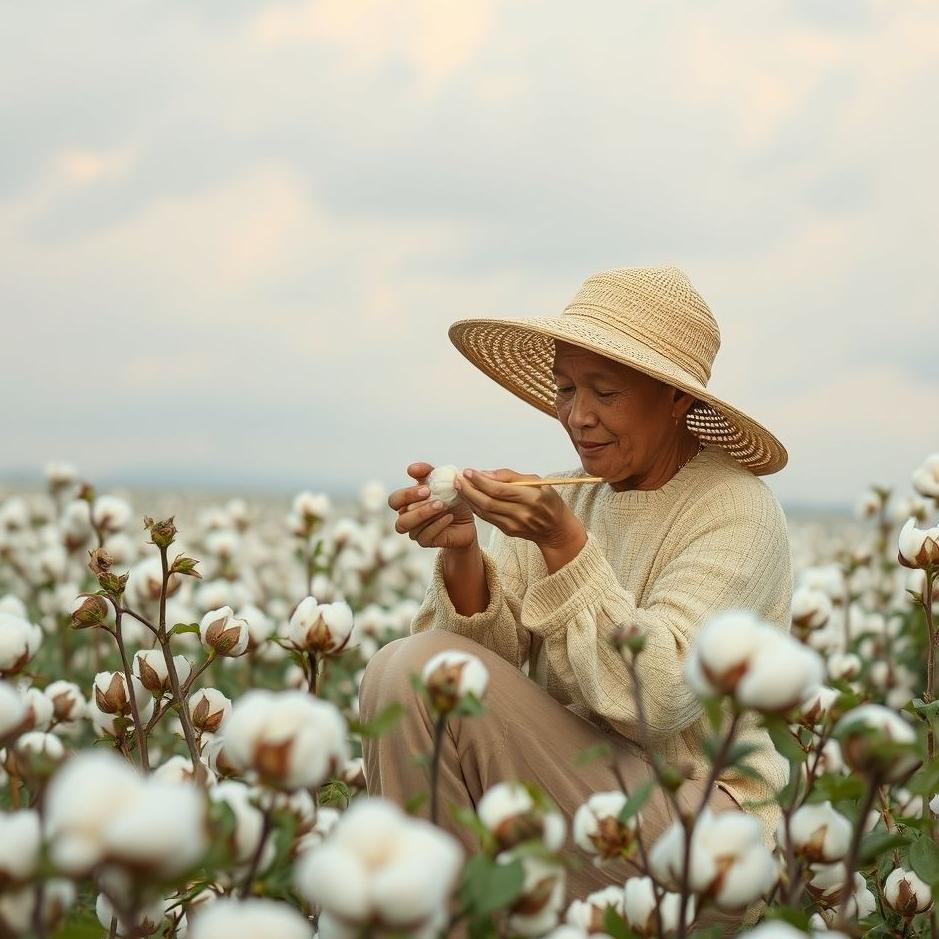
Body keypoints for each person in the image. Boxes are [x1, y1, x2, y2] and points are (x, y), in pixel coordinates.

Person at [358, 265, 792, 919]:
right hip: (587, 805)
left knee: (413, 670)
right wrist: (461, 552)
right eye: (564, 387)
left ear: (676, 398)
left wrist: (565, 548)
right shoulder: (560, 496)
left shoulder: (736, 509)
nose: (576, 415)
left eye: (604, 392)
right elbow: (490, 682)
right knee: (402, 671)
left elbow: (660, 695)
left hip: (705, 838)